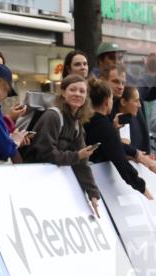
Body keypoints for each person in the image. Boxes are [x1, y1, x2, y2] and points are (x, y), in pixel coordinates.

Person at [22, 74, 101, 213]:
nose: (77, 94)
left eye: (82, 91)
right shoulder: (52, 116)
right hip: (32, 181)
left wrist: (93, 194)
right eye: (73, 90)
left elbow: (82, 164)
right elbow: (46, 154)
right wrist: (76, 156)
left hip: (49, 182)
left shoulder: (77, 124)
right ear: (63, 93)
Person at [84, 78, 152, 197]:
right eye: (111, 99)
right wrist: (143, 189)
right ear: (107, 102)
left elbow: (109, 145)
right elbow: (121, 162)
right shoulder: (103, 126)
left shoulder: (88, 120)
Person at [115, 84, 156, 176]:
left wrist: (137, 156)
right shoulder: (110, 120)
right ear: (123, 102)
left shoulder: (125, 119)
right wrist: (138, 156)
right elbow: (115, 147)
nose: (140, 105)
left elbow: (125, 148)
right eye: (136, 101)